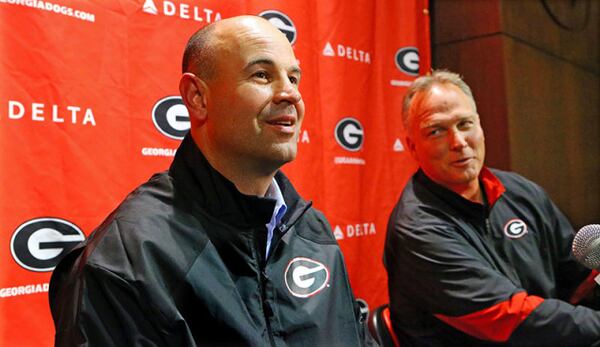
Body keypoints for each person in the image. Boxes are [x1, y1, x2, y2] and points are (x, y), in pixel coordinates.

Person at [49, 16, 367, 346]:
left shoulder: (311, 229)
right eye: (262, 75)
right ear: (197, 97)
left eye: (294, 78)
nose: (290, 94)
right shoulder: (128, 259)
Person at [384, 70, 600, 346]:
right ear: (412, 147)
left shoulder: (521, 192)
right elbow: (512, 318)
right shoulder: (415, 228)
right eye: (437, 131)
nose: (458, 142)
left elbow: (577, 274)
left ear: (480, 127)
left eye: (465, 124)